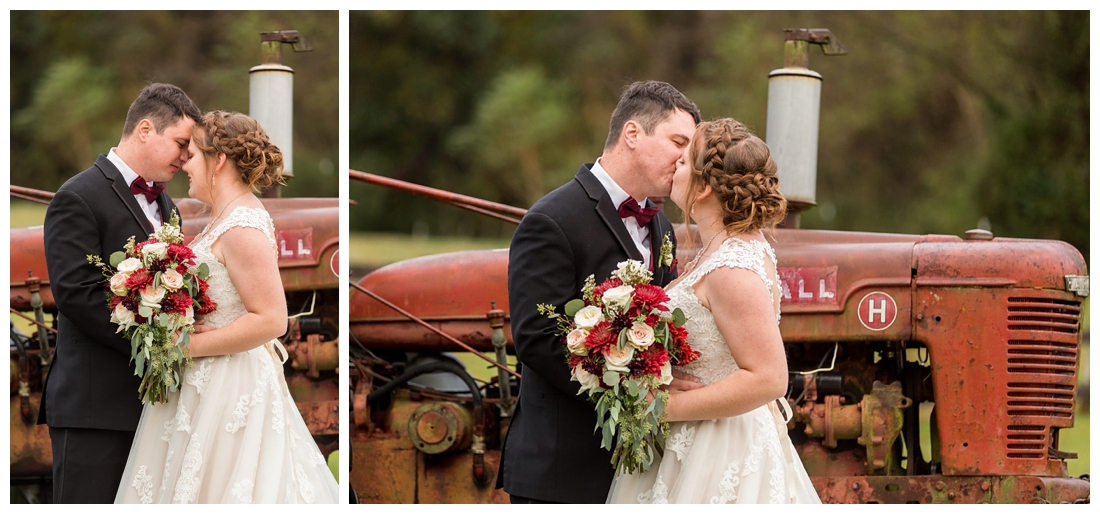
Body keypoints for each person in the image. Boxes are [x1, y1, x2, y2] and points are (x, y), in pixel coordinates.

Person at [113, 111, 338, 503]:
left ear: (218, 161)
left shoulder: (244, 226)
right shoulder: (224, 218)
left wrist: (186, 347)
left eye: (193, 154)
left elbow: (272, 319)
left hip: (231, 387)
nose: (185, 163)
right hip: (203, 383)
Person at [499, 81, 702, 503]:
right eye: (678, 141)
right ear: (632, 134)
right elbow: (538, 340)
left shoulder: (661, 226)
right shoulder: (552, 219)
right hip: (562, 470)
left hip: (638, 472)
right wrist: (636, 391)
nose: (686, 158)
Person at [606, 118, 821, 504]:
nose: (675, 165)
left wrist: (664, 407)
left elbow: (769, 378)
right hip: (696, 441)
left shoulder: (732, 268)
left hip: (722, 450)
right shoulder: (719, 250)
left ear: (704, 187)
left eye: (685, 160)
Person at [40, 83, 201, 503]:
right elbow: (76, 294)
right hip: (94, 408)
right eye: (182, 144)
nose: (186, 158)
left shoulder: (168, 207)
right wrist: (158, 347)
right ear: (145, 129)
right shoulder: (77, 195)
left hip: (152, 409)